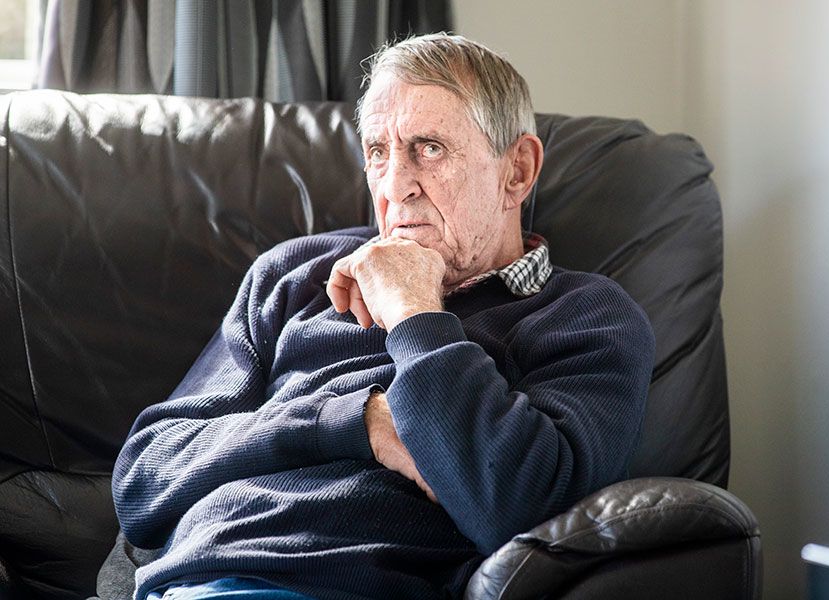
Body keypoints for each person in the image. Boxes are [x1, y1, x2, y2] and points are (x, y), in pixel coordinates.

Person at [112, 33, 655, 600]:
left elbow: (518, 506)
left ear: (516, 171)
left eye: (429, 148)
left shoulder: (588, 318)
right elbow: (142, 482)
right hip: (184, 586)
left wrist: (415, 313)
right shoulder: (296, 276)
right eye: (377, 151)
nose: (395, 186)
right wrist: (360, 423)